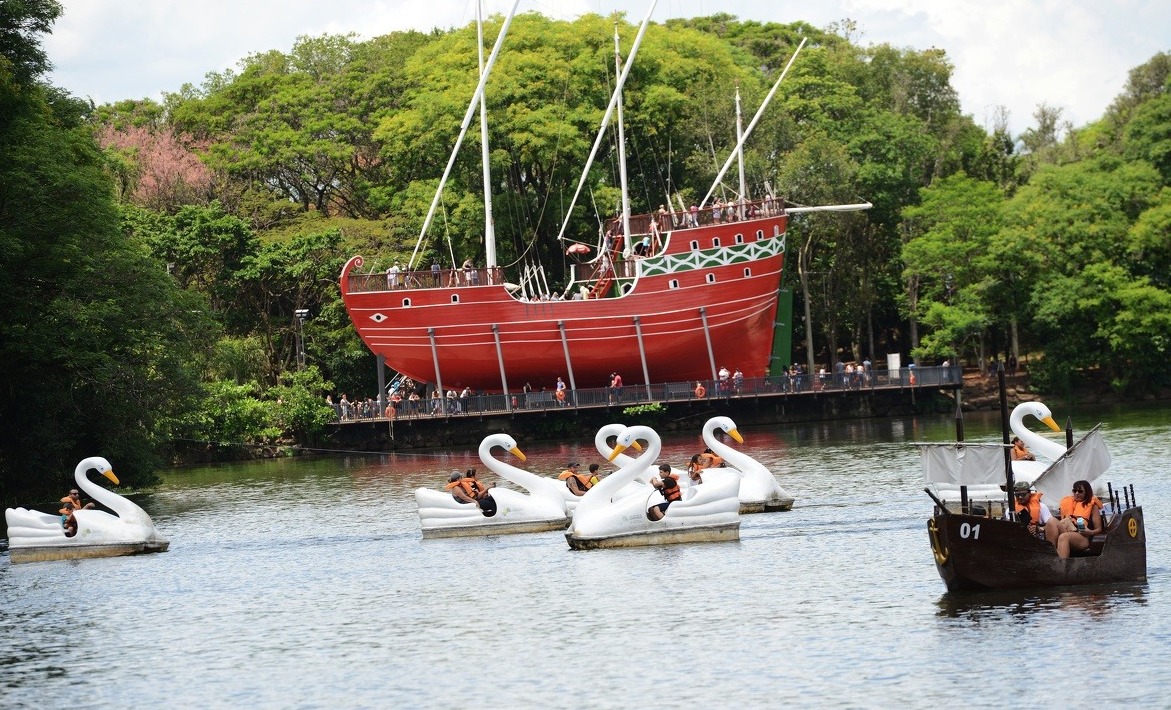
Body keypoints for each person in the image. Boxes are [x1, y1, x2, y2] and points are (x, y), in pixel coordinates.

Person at [1056, 480, 1104, 559]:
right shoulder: (1069, 503)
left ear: (1087, 492)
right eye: (1074, 491)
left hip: (1083, 538)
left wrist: (1090, 532)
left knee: (1063, 537)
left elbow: (1099, 529)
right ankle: (1051, 557)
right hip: (1068, 530)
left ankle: (1062, 565)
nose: (1077, 493)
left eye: (1080, 491)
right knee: (1051, 522)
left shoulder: (1093, 507)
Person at [1008, 480, 1060, 544]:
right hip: (1019, 541)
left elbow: (1052, 525)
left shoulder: (1042, 507)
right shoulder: (1010, 510)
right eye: (1017, 495)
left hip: (1039, 540)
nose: (1020, 497)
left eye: (1023, 494)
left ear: (1029, 493)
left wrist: (1039, 529)